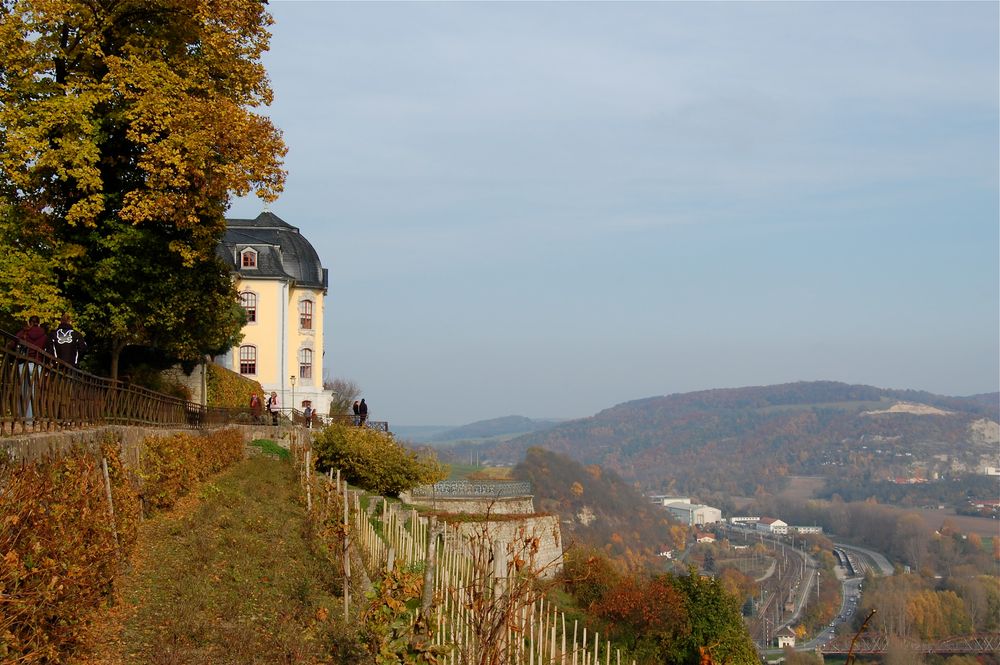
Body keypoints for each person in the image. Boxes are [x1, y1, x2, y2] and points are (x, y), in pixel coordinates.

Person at [11, 316, 48, 425]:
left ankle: (21, 416)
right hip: (37, 365)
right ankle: (30, 419)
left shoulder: (23, 332)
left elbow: (13, 344)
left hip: (23, 363)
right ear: (39, 323)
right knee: (33, 393)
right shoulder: (44, 336)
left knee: (22, 391)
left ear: (29, 322)